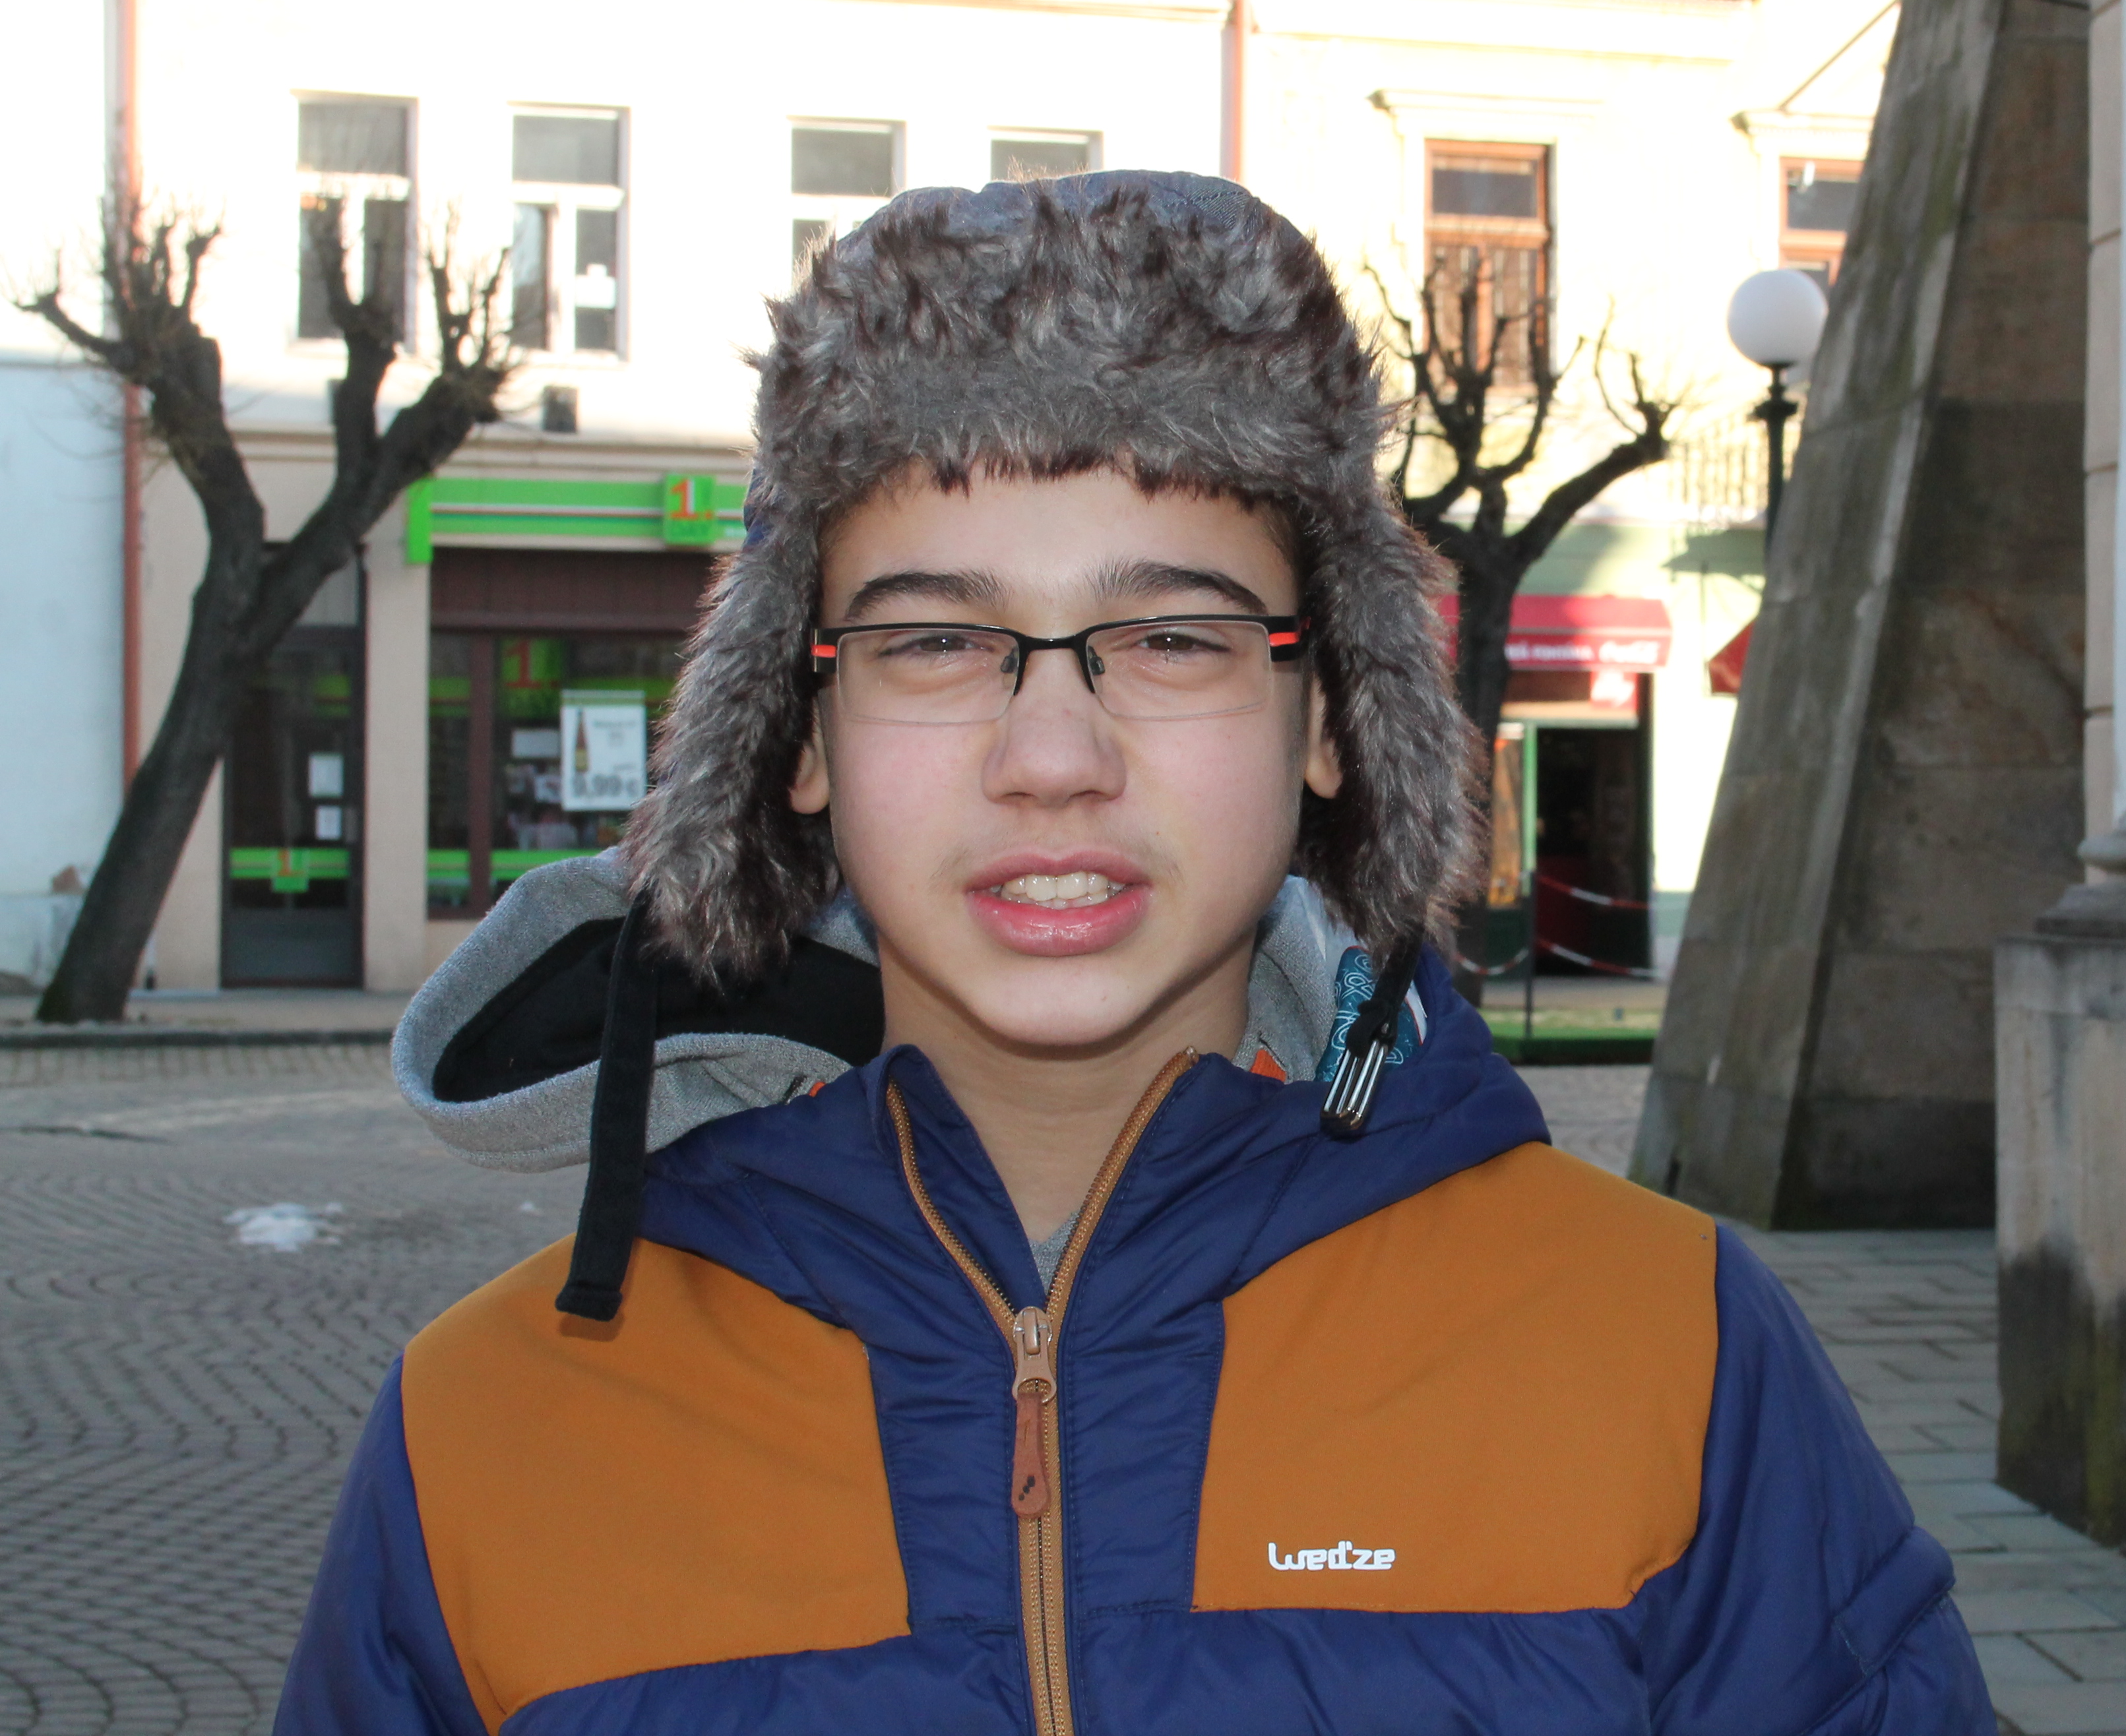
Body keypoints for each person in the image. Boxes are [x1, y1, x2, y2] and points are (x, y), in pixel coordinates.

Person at [274, 171, 1995, 1735]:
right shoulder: (490, 1424)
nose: (1052, 757)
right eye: (935, 641)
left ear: (1325, 723)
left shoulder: (1665, 1348)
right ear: (799, 735)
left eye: (1171, 637)